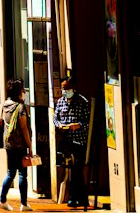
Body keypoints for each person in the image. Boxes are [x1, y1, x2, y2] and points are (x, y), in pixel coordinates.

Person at [53, 74, 91, 208]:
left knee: (77, 169)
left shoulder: (83, 102)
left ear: (73, 88)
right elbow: (55, 118)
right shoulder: (60, 102)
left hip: (79, 140)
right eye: (63, 88)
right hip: (66, 141)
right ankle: (83, 198)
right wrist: (58, 125)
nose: (65, 91)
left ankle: (73, 198)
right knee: (71, 169)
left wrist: (77, 125)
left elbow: (87, 122)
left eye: (67, 88)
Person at [0, 78, 33, 213]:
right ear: (20, 91)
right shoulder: (20, 107)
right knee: (23, 174)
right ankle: (24, 204)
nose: (24, 91)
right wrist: (29, 146)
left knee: (10, 173)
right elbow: (24, 128)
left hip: (9, 144)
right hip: (20, 145)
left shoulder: (6, 104)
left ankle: (2, 200)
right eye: (23, 89)